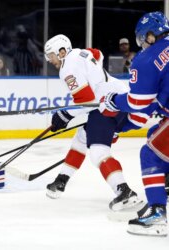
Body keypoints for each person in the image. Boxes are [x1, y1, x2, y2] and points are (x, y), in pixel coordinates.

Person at [43, 34, 146, 212]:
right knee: (82, 138)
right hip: (121, 99)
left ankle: (124, 190)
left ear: (61, 52)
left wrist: (65, 115)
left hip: (108, 106)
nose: (50, 60)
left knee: (98, 151)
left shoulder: (67, 67)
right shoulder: (81, 53)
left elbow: (87, 100)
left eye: (51, 56)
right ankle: (61, 181)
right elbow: (98, 55)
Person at [99, 11, 169, 237]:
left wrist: (113, 101)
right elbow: (153, 103)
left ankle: (158, 213)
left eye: (142, 39)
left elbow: (137, 103)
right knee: (156, 135)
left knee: (150, 154)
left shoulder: (147, 58)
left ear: (150, 36)